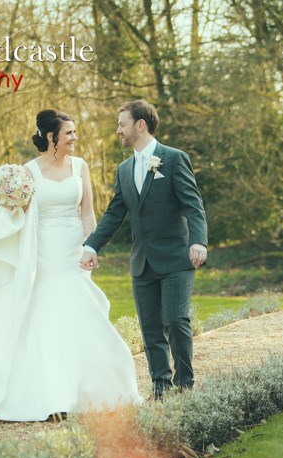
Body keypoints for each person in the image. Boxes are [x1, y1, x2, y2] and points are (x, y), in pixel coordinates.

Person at [0, 109, 144, 421]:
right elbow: (20, 217)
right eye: (69, 133)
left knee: (84, 316)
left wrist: (91, 246)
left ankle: (99, 391)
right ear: (52, 137)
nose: (74, 138)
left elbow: (88, 212)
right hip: (45, 255)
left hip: (75, 252)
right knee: (48, 319)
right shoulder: (27, 173)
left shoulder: (80, 167)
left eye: (75, 133)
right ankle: (53, 397)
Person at [80, 99, 208, 401]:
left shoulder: (174, 159)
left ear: (140, 125)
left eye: (122, 124)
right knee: (150, 329)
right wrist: (91, 246)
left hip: (177, 257)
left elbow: (193, 204)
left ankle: (186, 385)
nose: (118, 130)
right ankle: (161, 386)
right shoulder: (124, 170)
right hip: (142, 263)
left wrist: (198, 240)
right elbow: (114, 214)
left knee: (176, 321)